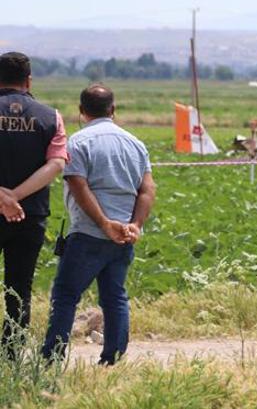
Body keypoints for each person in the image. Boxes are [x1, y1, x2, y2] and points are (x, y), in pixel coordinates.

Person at [42, 84, 156, 365]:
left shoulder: (78, 143)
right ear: (113, 110)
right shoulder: (135, 144)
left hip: (89, 233)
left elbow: (79, 187)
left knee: (66, 295)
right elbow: (147, 189)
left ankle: (51, 359)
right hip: (124, 236)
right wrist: (136, 225)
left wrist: (105, 223)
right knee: (114, 295)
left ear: (81, 111)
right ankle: (113, 357)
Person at [0, 52, 68, 358]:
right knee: (19, 286)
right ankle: (12, 351)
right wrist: (16, 196)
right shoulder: (50, 116)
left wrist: (3, 196)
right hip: (30, 215)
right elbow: (56, 164)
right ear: (29, 80)